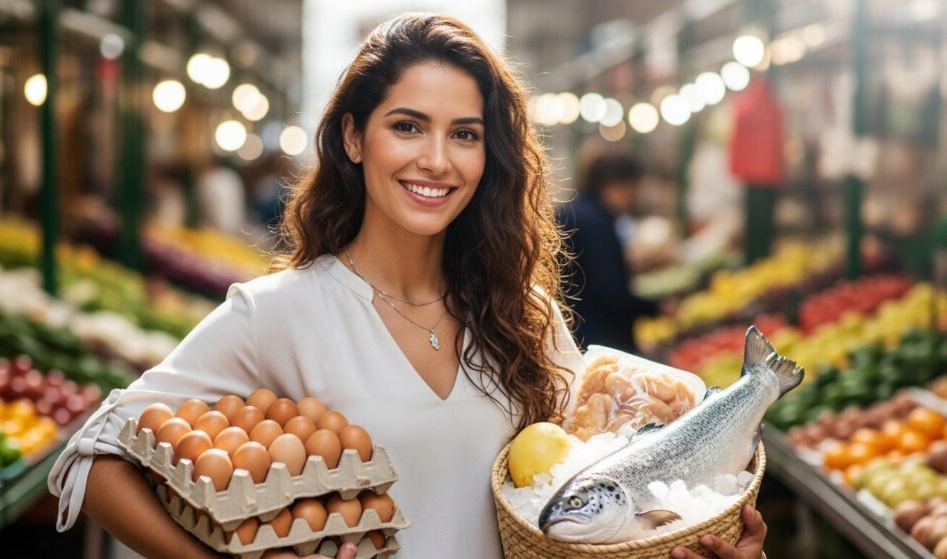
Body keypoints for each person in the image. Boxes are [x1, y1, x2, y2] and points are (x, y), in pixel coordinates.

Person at [49, 15, 766, 559]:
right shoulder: (283, 312)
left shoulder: (523, 316)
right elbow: (93, 454)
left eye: (464, 134)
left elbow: (591, 500)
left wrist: (693, 530)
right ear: (355, 139)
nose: (436, 159)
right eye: (407, 126)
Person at [559, 152, 660, 353]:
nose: (632, 199)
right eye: (632, 190)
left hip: (571, 332)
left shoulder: (571, 211)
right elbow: (609, 292)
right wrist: (654, 309)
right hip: (596, 338)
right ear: (618, 185)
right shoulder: (597, 223)